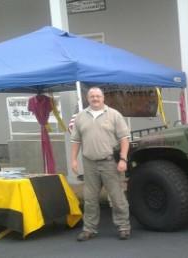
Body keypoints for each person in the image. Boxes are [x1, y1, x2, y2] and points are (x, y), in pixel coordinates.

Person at [70, 87, 131, 241]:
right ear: (87, 98)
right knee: (90, 199)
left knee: (117, 198)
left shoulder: (114, 115)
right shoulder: (80, 117)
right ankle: (89, 229)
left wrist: (123, 159)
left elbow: (124, 138)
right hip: (89, 164)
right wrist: (74, 159)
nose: (95, 99)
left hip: (111, 163)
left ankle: (123, 227)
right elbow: (76, 140)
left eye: (98, 96)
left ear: (103, 98)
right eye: (92, 96)